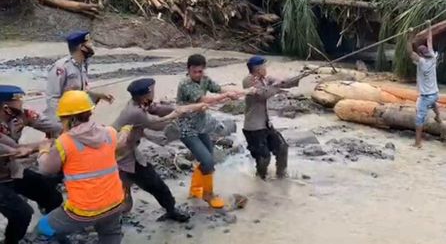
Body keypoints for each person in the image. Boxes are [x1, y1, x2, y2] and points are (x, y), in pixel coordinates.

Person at [113, 78, 210, 222]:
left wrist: (187, 108)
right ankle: (171, 210)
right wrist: (176, 115)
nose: (154, 92)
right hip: (124, 156)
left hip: (120, 153)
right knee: (156, 185)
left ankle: (114, 215)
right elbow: (157, 125)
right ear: (147, 93)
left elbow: (157, 109)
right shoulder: (135, 112)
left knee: (124, 188)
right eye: (152, 90)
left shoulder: (138, 103)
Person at [36, 90, 125, 244]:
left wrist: (43, 149)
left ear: (66, 118)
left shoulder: (65, 142)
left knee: (42, 228)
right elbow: (118, 145)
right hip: (115, 203)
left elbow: (46, 169)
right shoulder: (109, 132)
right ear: (89, 112)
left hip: (83, 211)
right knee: (111, 233)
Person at [176, 54, 244, 209]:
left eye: (201, 71)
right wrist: (225, 96)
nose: (198, 74)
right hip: (187, 129)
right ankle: (208, 194)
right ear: (188, 70)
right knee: (208, 161)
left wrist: (233, 92)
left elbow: (218, 88)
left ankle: (195, 189)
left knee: (209, 159)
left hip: (201, 126)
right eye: (195, 71)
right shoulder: (185, 84)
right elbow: (204, 100)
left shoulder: (204, 79)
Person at [0, 85, 63, 244]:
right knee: (22, 214)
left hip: (13, 171)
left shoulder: (21, 115)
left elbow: (56, 128)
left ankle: (48, 231)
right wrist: (42, 146)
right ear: (4, 105)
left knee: (52, 195)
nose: (21, 104)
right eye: (16, 101)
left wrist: (70, 132)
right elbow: (15, 151)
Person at [242, 56, 308, 179]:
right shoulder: (249, 81)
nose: (266, 68)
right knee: (264, 157)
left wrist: (300, 76)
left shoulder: (265, 79)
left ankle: (281, 176)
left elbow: (283, 81)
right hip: (253, 127)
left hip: (265, 124)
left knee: (282, 148)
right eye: (264, 66)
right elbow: (263, 94)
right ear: (258, 69)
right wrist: (276, 87)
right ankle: (260, 180)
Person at [44, 30, 114, 134]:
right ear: (82, 47)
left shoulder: (82, 65)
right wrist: (61, 124)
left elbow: (81, 92)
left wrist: (100, 95)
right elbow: (52, 98)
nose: (92, 45)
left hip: (77, 116)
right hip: (63, 120)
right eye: (89, 43)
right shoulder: (61, 67)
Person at [407, 20, 442, 148]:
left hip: (426, 96)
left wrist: (409, 36)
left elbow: (410, 52)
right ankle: (438, 116)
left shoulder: (421, 62)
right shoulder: (433, 57)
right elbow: (430, 40)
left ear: (420, 55)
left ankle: (417, 143)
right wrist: (428, 26)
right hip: (435, 94)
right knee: (432, 102)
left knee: (419, 119)